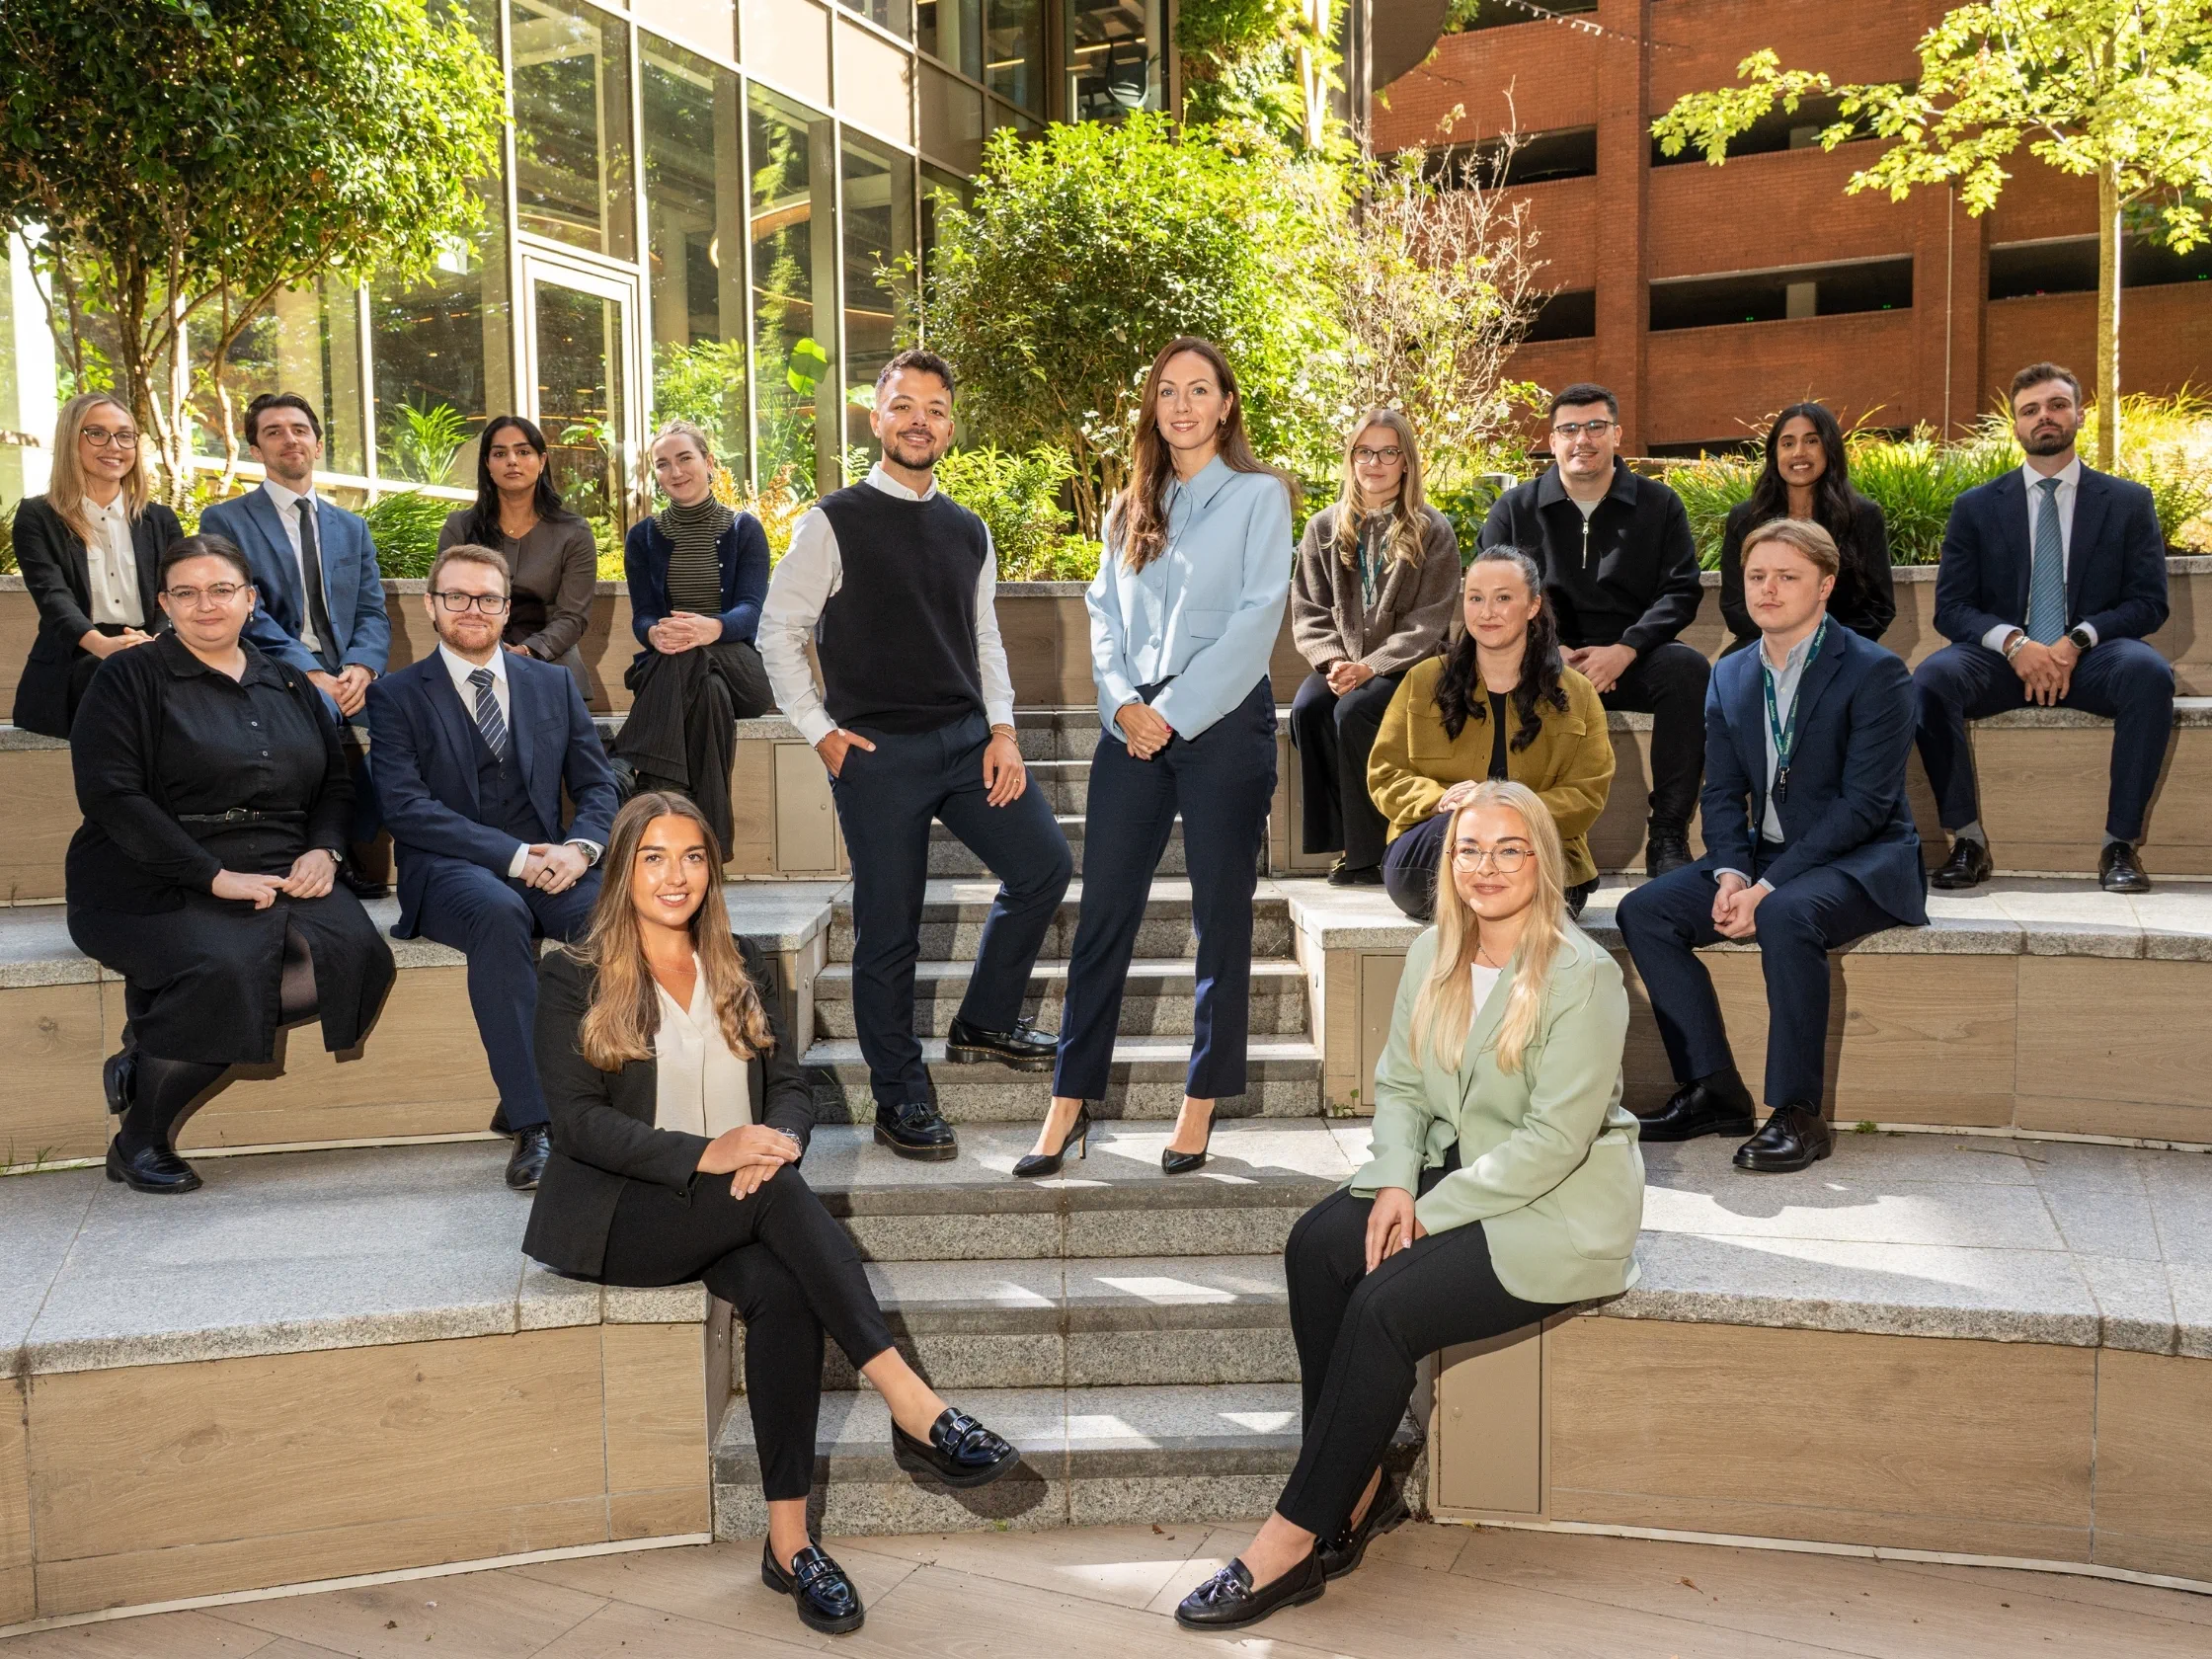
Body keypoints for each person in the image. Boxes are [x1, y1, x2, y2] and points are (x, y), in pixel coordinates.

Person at [523, 793, 1021, 1638]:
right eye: (653, 856)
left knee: (782, 1291)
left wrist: (779, 1141)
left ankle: (788, 1545)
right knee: (779, 1200)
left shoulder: (739, 958)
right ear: (622, 869)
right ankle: (912, 1404)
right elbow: (575, 1122)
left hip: (740, 1203)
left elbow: (789, 1085)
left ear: (711, 869)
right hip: (626, 1214)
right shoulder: (571, 972)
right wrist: (706, 1154)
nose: (674, 875)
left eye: (690, 856)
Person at [1174, 782, 1641, 1631]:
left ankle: (1289, 1539)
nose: (1486, 867)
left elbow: (1551, 1143)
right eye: (1470, 849)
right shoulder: (1432, 953)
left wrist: (1427, 1211)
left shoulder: (1585, 976)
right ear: (1447, 862)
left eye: (1509, 849)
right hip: (1446, 1173)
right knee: (1319, 1246)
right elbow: (1398, 1085)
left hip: (1553, 1206)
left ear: (1543, 859)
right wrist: (1394, 1181)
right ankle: (1352, 1485)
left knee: (1384, 1305)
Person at [759, 350, 1072, 1162]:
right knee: (889, 931)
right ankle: (899, 1096)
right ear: (878, 418)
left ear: (950, 425)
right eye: (904, 406)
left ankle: (985, 1020)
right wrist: (820, 731)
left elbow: (984, 638)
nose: (919, 420)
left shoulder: (969, 529)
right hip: (877, 754)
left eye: (934, 408)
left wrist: (1002, 731)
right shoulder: (834, 521)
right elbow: (777, 631)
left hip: (967, 743)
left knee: (1042, 866)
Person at [1023, 337, 1293, 1183]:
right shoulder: (1125, 507)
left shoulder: (1260, 498)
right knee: (1103, 913)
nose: (1181, 405)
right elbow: (1102, 618)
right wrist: (1125, 708)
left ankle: (1201, 1100)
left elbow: (1255, 624)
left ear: (1225, 405)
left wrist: (1170, 714)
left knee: (1221, 914)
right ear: (1153, 406)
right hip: (1131, 728)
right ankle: (1067, 1103)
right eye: (1167, 391)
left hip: (1220, 725)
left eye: (1198, 390)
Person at [64, 536, 396, 1194]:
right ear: (163, 604)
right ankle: (140, 1140)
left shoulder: (290, 683)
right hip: (149, 869)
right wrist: (209, 876)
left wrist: (324, 852)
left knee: (355, 953)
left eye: (221, 590)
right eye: (185, 593)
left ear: (251, 600)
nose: (204, 604)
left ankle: (149, 1049)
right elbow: (113, 795)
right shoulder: (127, 677)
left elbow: (334, 783)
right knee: (227, 967)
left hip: (278, 859)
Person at [1618, 518, 1926, 1175]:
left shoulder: (1877, 673)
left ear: (1825, 586)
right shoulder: (1729, 675)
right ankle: (1712, 1089)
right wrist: (1730, 872)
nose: (1769, 588)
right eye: (1757, 576)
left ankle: (1797, 1113)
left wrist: (1767, 887)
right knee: (1644, 912)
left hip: (1862, 855)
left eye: (1787, 576)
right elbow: (1724, 793)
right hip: (1763, 856)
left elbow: (1866, 806)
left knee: (1788, 914)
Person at [366, 543, 621, 1190]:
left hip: (551, 862)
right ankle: (538, 1125)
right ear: (431, 606)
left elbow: (597, 788)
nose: (471, 609)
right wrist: (513, 857)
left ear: (507, 610)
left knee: (613, 921)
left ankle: (577, 1088)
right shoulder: (397, 695)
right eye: (456, 596)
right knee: (499, 913)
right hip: (450, 870)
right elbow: (406, 808)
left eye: (487, 598)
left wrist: (581, 849)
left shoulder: (552, 684)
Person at [1912, 362, 2172, 895]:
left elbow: (2149, 603)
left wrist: (2077, 640)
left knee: (2150, 674)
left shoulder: (2126, 502)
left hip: (2094, 654)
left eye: (2056, 405)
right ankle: (1967, 839)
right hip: (2005, 658)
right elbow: (1952, 608)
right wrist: (2014, 643)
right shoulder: (1976, 507)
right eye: (2030, 410)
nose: (2044, 417)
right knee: (1932, 679)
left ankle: (2119, 845)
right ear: (2015, 426)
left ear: (2078, 413)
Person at [1479, 384, 1706, 877]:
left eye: (1595, 427)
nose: (1582, 439)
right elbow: (1494, 588)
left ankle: (1667, 836)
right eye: (1569, 429)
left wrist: (1625, 649)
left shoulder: (1659, 504)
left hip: (1632, 656)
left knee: (1687, 670)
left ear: (1617, 434)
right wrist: (1550, 651)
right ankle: (1512, 833)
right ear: (1553, 440)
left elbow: (1681, 590)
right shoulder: (1514, 510)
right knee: (1491, 670)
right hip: (1539, 655)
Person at [200, 390, 391, 896]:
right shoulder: (225, 521)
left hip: (349, 670)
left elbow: (372, 611)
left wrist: (362, 669)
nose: (290, 439)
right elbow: (245, 609)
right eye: (273, 432)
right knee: (317, 720)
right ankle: (328, 855)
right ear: (256, 450)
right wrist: (310, 672)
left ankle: (354, 839)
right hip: (274, 666)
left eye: (299, 429)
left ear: (318, 444)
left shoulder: (351, 527)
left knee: (416, 720)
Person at [1368, 548, 1614, 923]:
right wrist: (1443, 802)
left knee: (1509, 849)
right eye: (1475, 598)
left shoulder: (1577, 692)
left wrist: (1510, 811)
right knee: (1467, 836)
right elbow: (1385, 773)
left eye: (1503, 598)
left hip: (1537, 854)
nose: (1486, 612)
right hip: (1437, 852)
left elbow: (1588, 792)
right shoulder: (1423, 680)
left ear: (1532, 606)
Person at [1289, 410, 1460, 886]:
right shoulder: (1323, 529)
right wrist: (1334, 661)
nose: (1375, 463)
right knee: (1309, 707)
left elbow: (1430, 620)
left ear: (1406, 462)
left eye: (1388, 452)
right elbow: (1308, 608)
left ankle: (1375, 851)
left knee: (1355, 711)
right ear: (1351, 459)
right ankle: (1345, 839)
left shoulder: (1431, 529)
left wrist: (1372, 666)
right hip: (1342, 662)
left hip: (1413, 666)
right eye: (1364, 452)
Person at [606, 421, 774, 854]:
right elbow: (643, 616)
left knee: (704, 664)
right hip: (677, 668)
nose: (675, 471)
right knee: (709, 697)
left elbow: (752, 612)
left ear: (709, 463)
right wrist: (656, 632)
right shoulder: (643, 538)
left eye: (685, 459)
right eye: (663, 464)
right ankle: (707, 846)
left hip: (741, 671)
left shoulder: (744, 530)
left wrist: (711, 628)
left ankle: (627, 759)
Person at [11, 393, 181, 739]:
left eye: (125, 435)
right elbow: (52, 596)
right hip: (79, 658)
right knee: (115, 679)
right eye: (97, 433)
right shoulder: (37, 517)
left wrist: (157, 640)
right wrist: (102, 645)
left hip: (152, 646)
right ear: (71, 440)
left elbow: (176, 593)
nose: (113, 446)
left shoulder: (160, 520)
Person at [437, 415, 599, 697]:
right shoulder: (460, 528)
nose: (512, 460)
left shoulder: (573, 532)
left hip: (551, 663)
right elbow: (446, 603)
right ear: (487, 464)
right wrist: (488, 650)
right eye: (500, 453)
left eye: (523, 452)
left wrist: (527, 651)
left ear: (542, 461)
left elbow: (572, 617)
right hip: (469, 660)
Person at [1717, 402, 1896, 650]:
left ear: (1830, 448)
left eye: (1811, 441)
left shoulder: (1863, 516)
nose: (1798, 452)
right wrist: (1785, 641)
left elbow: (1879, 607)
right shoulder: (1745, 518)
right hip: (1763, 644)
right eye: (1788, 443)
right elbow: (1734, 607)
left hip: (1839, 646)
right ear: (1774, 453)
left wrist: (1816, 645)